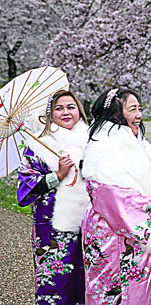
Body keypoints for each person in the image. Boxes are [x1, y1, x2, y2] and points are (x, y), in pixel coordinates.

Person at [81, 88, 151, 304]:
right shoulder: (103, 146)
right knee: (115, 290)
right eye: (132, 110)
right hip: (112, 231)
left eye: (139, 109)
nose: (139, 115)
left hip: (140, 232)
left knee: (143, 288)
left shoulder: (139, 142)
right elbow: (111, 196)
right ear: (116, 113)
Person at [17, 90, 89, 305]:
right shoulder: (38, 145)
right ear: (50, 115)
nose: (66, 112)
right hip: (53, 226)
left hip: (88, 221)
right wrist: (57, 175)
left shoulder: (92, 139)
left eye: (70, 107)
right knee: (56, 279)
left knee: (89, 275)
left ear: (79, 110)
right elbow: (25, 185)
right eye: (59, 108)